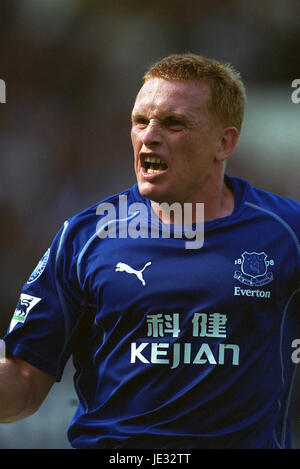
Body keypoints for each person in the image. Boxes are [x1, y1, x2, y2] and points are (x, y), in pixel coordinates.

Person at [1, 53, 300, 449]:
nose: (149, 136)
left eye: (174, 123)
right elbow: (24, 380)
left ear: (224, 141)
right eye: (140, 121)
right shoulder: (85, 237)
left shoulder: (286, 232)